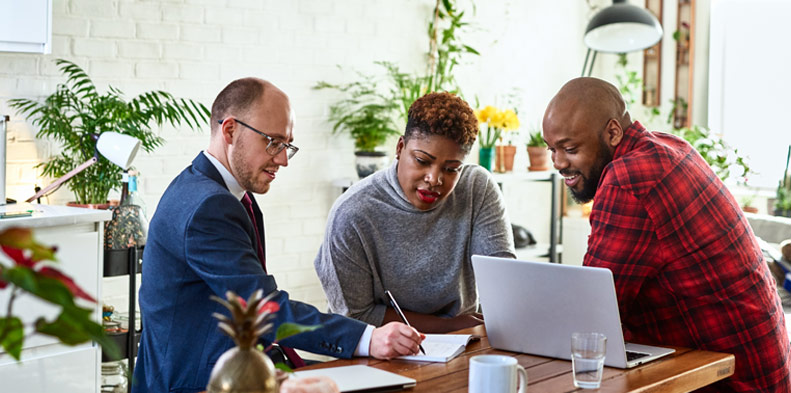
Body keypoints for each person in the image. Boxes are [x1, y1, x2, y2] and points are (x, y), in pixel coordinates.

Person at [133, 78, 424, 393]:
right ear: (230, 130)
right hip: (197, 383)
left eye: (287, 144)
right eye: (272, 142)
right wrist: (369, 338)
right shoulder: (209, 205)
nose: (283, 158)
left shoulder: (212, 190)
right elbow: (263, 308)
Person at [542, 77, 791, 392]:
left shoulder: (628, 179)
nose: (558, 162)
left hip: (729, 381)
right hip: (761, 370)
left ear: (613, 132)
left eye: (570, 148)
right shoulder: (671, 146)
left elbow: (591, 313)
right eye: (552, 149)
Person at [314, 92, 516, 333]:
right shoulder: (352, 213)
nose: (434, 179)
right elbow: (355, 315)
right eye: (422, 161)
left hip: (464, 343)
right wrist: (449, 326)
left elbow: (502, 280)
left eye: (451, 169)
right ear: (400, 148)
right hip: (379, 350)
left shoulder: (476, 188)